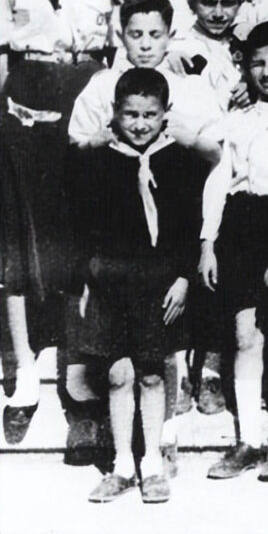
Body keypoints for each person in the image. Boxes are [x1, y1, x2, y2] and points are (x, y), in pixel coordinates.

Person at [0, 0, 122, 444]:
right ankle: (23, 373)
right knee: (22, 244)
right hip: (28, 104)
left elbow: (119, 51)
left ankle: (79, 383)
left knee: (82, 243)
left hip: (89, 102)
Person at [68, 68, 209, 503]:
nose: (140, 124)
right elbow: (83, 226)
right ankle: (123, 464)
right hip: (111, 279)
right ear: (114, 114)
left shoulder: (180, 163)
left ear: (165, 115)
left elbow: (190, 226)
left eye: (150, 114)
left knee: (151, 372)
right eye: (131, 114)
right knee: (117, 374)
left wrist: (185, 277)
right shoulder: (99, 162)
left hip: (159, 280)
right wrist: (86, 280)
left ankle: (152, 463)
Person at [200, 22, 268, 483]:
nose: (267, 72)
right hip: (240, 227)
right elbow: (219, 179)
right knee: (245, 335)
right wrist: (209, 242)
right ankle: (249, 440)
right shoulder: (237, 118)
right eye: (258, 62)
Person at [68, 0, 222, 160]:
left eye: (155, 35)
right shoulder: (101, 86)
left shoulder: (192, 86)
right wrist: (94, 142)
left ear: (170, 36)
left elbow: (217, 150)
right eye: (136, 35)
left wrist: (190, 140)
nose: (145, 45)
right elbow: (77, 144)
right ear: (121, 36)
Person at [170, 0, 250, 111]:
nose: (218, 14)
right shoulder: (178, 49)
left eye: (227, 4)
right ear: (191, 4)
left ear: (240, 2)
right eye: (208, 3)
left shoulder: (246, 43)